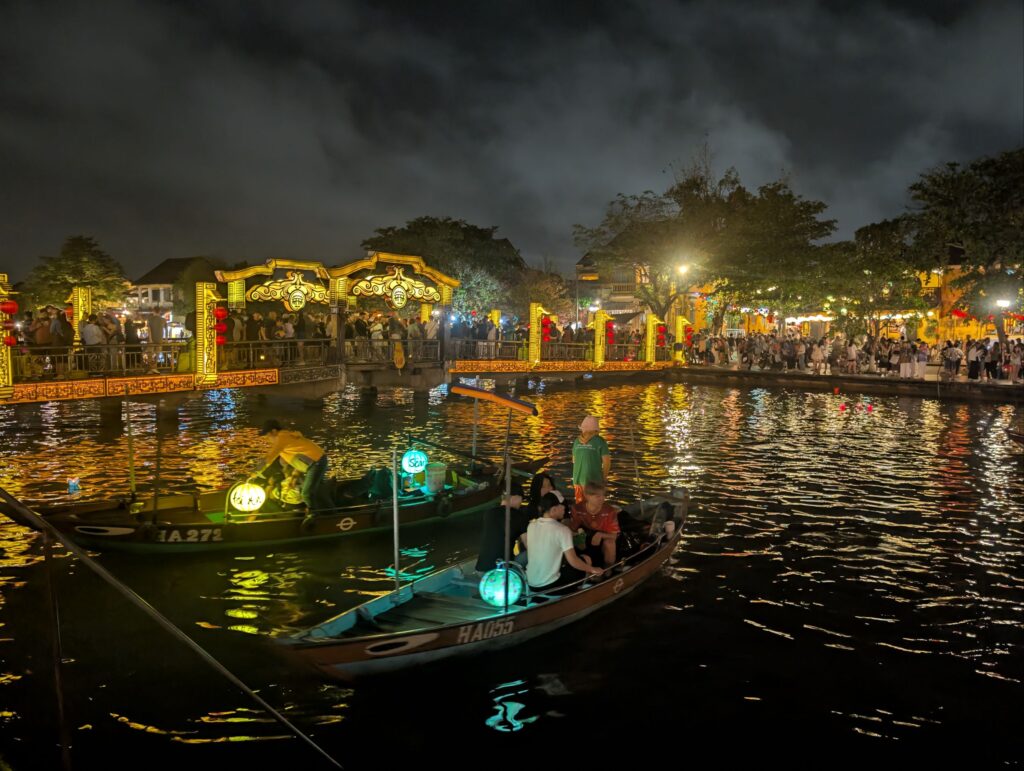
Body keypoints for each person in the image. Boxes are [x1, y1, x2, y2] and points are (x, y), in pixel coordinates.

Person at [521, 492, 603, 591]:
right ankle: (581, 589)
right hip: (550, 585)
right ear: (553, 509)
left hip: (531, 582)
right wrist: (593, 569)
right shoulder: (562, 530)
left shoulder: (531, 525)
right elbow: (573, 561)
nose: (565, 508)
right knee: (586, 559)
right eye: (562, 505)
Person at [250, 420, 330, 518]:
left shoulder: (282, 437)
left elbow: (269, 458)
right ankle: (330, 513)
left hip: (316, 463)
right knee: (319, 490)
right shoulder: (286, 438)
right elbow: (300, 456)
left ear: (274, 431)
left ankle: (314, 516)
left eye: (268, 436)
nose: (267, 440)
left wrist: (255, 471)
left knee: (306, 493)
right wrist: (294, 476)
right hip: (316, 461)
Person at [475, 481, 530, 572]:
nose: (521, 502)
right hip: (503, 571)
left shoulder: (489, 513)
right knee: (530, 553)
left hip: (481, 569)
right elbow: (529, 546)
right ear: (515, 497)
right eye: (521, 499)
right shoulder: (519, 516)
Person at [570, 481, 621, 568]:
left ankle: (609, 568)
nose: (602, 499)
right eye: (598, 496)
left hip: (604, 537)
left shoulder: (609, 511)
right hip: (586, 535)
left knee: (609, 543)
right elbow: (573, 528)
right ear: (587, 496)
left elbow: (614, 536)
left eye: (603, 495)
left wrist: (600, 535)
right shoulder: (577, 509)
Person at [571, 415, 610, 504]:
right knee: (594, 506)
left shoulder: (576, 441)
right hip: (594, 481)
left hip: (578, 480)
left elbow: (574, 460)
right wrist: (603, 478)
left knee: (581, 506)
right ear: (596, 430)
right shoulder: (600, 441)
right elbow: (606, 462)